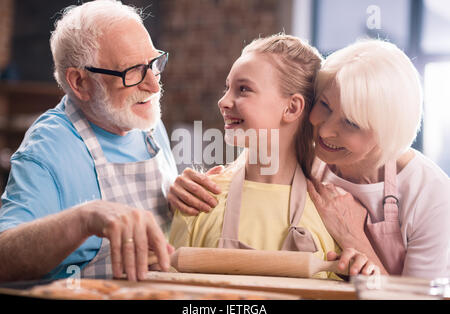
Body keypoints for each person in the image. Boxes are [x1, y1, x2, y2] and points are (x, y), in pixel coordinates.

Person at [168, 39, 450, 279]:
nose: (324, 130)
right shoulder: (316, 158)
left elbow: (420, 298)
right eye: (325, 105)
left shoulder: (430, 194)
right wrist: (189, 183)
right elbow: (268, 151)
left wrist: (354, 238)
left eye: (350, 123)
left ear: (385, 133)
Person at [0, 0, 177, 282]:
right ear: (79, 82)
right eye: (132, 72)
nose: (154, 85)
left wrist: (179, 198)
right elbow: (4, 259)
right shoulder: (48, 147)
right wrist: (84, 218)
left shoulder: (146, 120)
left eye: (153, 64)